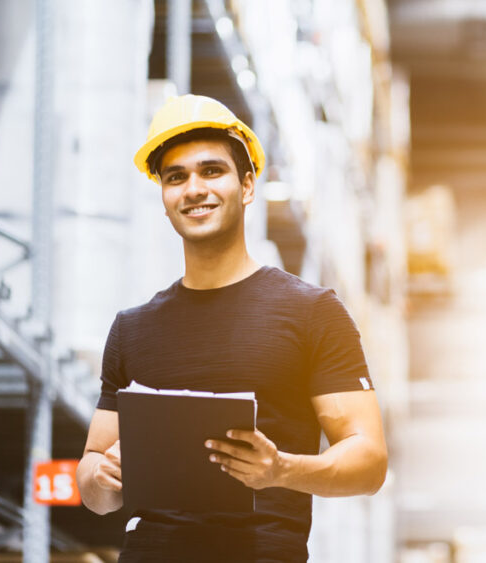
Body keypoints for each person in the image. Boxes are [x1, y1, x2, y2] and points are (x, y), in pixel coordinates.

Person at [75, 94, 388, 562]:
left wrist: (280, 469)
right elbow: (93, 474)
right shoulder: (132, 329)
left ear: (246, 186)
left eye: (211, 171)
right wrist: (101, 479)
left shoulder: (311, 312)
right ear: (163, 199)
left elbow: (369, 462)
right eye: (175, 177)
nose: (193, 189)